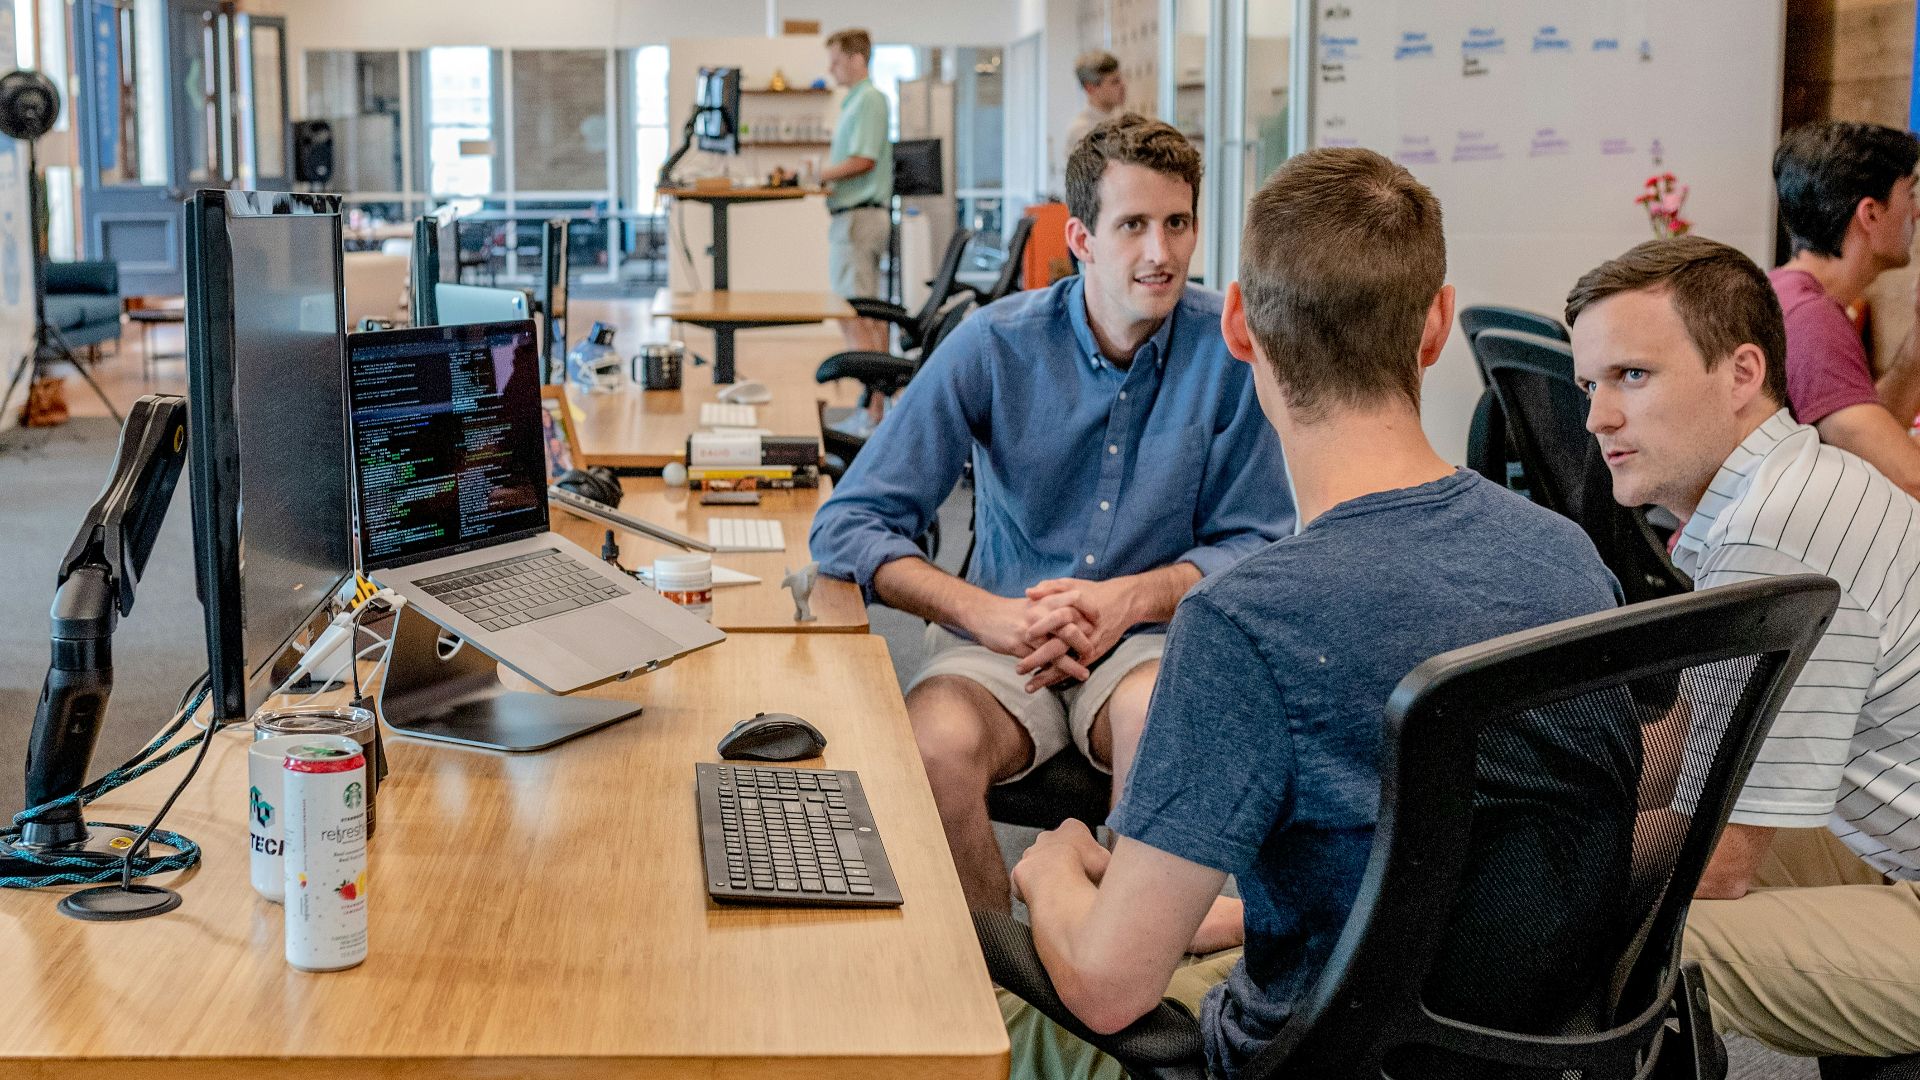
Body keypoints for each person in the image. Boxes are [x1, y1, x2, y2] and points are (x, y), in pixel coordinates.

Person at [1000, 146, 1626, 1080]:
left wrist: (1050, 870)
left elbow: (1106, 986)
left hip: (1294, 1060)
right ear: (1437, 325)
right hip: (1523, 1055)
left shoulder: (1246, 623)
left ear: (1242, 326)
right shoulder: (1570, 560)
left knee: (954, 1007)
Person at [809, 114, 1293, 915]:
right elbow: (849, 523)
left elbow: (1262, 543)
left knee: (1160, 727)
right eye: (1132, 225)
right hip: (1004, 638)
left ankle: (1118, 974)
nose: (1160, 253)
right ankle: (1003, 977)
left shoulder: (1232, 352)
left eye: (1178, 224)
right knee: (931, 747)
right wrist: (984, 614)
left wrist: (1130, 600)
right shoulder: (993, 346)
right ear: (1081, 237)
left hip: (1148, 642)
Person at [1567, 234, 1920, 1059]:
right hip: (1890, 848)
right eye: (1590, 383)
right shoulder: (1780, 490)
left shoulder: (1778, 528)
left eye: (1632, 376)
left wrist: (1505, 878)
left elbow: (1718, 858)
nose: (1596, 417)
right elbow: (1697, 742)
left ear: (1743, 374)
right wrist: (1539, 804)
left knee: (1655, 945)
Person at [1770, 121, 1920, 498]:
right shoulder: (1809, 318)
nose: (1916, 213)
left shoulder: (1789, 292)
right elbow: (1907, 477)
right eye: (1910, 195)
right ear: (1870, 214)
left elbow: (1867, 437)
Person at [820, 28, 892, 353]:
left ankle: (873, 403)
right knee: (865, 314)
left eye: (836, 62)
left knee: (855, 315)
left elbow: (865, 159)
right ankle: (876, 401)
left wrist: (820, 175)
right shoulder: (855, 102)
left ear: (857, 59)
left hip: (859, 219)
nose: (831, 69)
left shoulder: (869, 99)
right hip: (854, 218)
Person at [1065, 52, 1126, 157]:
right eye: (1115, 82)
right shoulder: (1081, 132)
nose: (1123, 86)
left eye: (1120, 79)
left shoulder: (1123, 119)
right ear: (1090, 88)